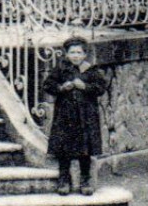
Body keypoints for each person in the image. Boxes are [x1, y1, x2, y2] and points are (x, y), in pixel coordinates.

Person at [38, 36, 109, 196]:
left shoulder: (91, 70)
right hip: (65, 116)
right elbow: (48, 85)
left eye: (79, 52)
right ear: (67, 54)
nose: (75, 56)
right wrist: (62, 87)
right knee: (64, 149)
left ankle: (85, 180)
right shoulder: (61, 69)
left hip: (86, 116)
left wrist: (85, 86)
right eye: (72, 52)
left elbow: (100, 88)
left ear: (85, 55)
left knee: (85, 149)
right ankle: (64, 179)